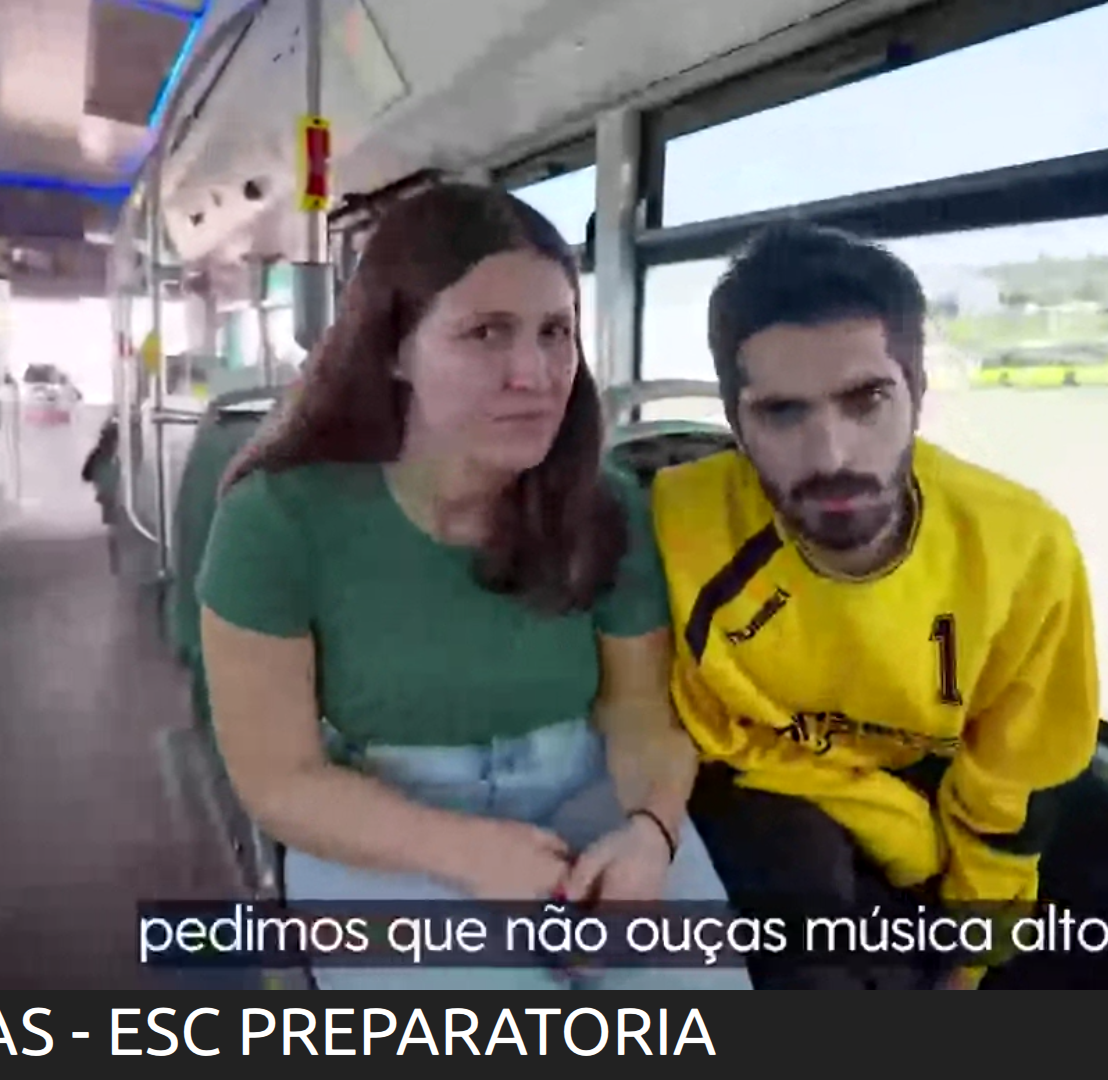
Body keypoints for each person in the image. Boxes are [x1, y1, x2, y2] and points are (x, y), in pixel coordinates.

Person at [196, 182, 749, 991]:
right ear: (394, 349)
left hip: (590, 792)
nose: (536, 374)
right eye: (487, 332)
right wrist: (468, 853)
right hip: (382, 822)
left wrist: (650, 834)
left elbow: (637, 713)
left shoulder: (603, 505)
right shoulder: (278, 520)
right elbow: (278, 778)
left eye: (555, 332)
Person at [649, 222, 1101, 989]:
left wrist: (969, 965)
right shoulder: (673, 524)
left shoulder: (1025, 551)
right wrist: (880, 818)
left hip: (935, 798)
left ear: (917, 392)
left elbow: (1019, 788)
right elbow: (688, 732)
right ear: (736, 423)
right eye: (782, 413)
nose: (831, 456)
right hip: (762, 791)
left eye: (867, 400)